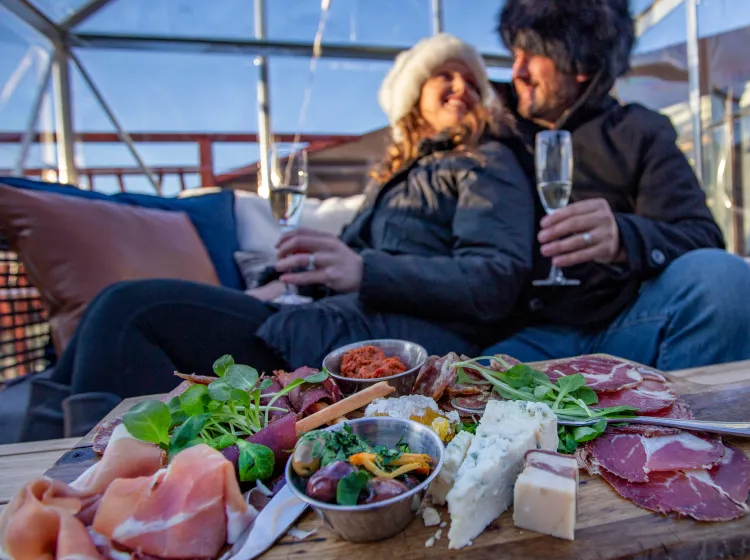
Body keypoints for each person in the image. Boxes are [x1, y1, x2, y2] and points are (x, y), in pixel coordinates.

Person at [23, 33, 536, 440]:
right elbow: (344, 264)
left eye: (470, 77)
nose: (461, 85)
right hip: (334, 318)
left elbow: (495, 280)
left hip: (398, 341)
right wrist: (281, 281)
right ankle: (48, 480)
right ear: (412, 98)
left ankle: (70, 486)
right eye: (443, 74)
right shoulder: (391, 178)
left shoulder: (486, 161)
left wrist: (362, 270)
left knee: (128, 311)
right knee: (107, 314)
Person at [483, 0, 750, 371]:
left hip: (626, 327)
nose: (517, 70)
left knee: (726, 280)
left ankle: (691, 427)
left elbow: (701, 236)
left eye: (533, 55)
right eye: (514, 54)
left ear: (580, 64)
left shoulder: (640, 130)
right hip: (529, 338)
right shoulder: (493, 122)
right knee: (466, 377)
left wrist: (622, 236)